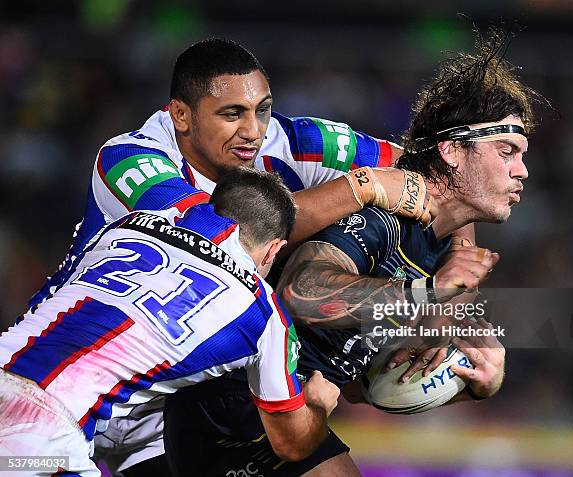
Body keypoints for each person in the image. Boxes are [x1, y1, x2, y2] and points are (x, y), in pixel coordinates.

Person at [24, 38, 447, 476]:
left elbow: (433, 175)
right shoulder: (129, 159)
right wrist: (358, 188)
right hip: (73, 374)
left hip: (170, 400)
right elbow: (221, 236)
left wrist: (454, 280)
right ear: (181, 115)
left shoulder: (292, 141)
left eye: (261, 109)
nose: (253, 131)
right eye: (232, 114)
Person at [163, 29, 543, 476]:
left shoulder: (442, 248)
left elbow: (368, 387)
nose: (523, 170)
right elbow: (301, 293)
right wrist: (428, 294)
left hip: (276, 409)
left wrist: (474, 379)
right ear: (451, 151)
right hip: (230, 401)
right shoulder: (384, 218)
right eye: (507, 151)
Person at [0, 168, 341, 476]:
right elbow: (292, 443)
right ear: (273, 250)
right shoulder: (263, 314)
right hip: (39, 436)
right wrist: (318, 406)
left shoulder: (125, 226)